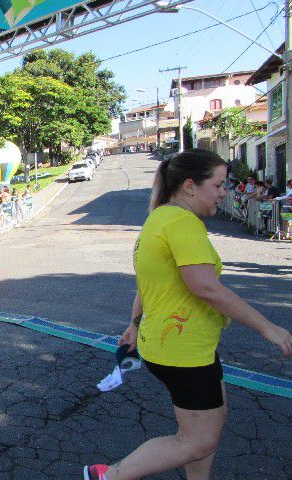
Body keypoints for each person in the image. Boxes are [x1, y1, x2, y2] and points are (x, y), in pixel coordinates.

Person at [84, 149, 292, 480]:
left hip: (180, 345)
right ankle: (107, 476)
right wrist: (269, 328)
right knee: (197, 441)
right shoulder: (182, 223)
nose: (224, 193)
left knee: (205, 431)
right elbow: (206, 288)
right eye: (220, 185)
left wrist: (134, 324)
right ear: (191, 186)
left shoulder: (160, 217)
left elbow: (149, 282)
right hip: (183, 351)